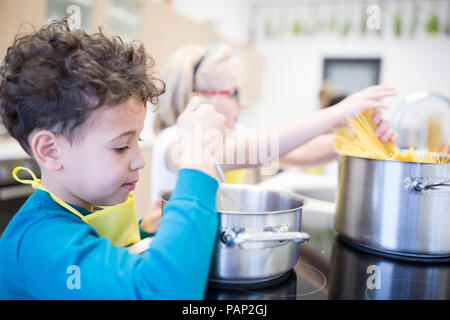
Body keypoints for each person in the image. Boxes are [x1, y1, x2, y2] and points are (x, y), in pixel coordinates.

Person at [0, 20, 226, 299]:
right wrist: (198, 157)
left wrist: (142, 234)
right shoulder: (39, 243)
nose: (138, 161)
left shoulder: (85, 207)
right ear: (50, 150)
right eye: (120, 147)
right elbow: (164, 292)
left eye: (137, 141)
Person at [150, 44, 397, 201]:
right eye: (235, 93)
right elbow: (262, 147)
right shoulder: (172, 141)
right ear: (200, 98)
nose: (243, 103)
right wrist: (337, 113)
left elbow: (297, 151)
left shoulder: (233, 134)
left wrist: (360, 141)